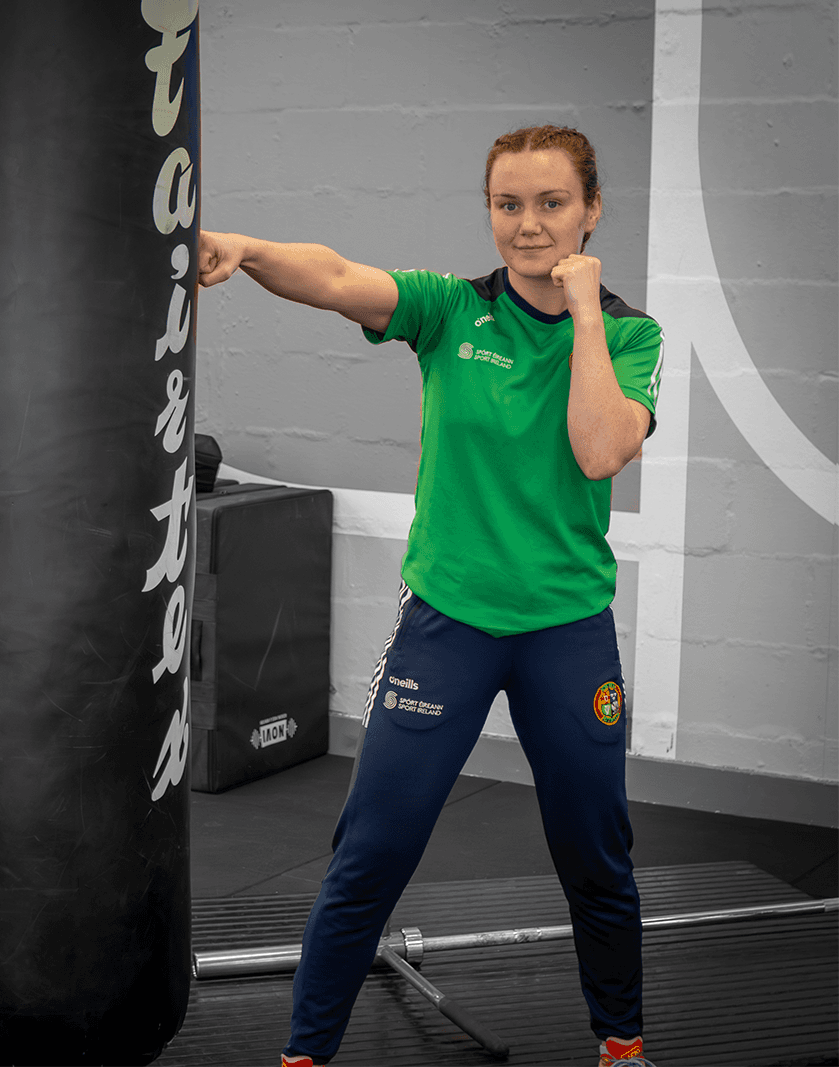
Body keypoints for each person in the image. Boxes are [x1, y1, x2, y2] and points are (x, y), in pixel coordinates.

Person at [198, 125, 663, 1067]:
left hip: (567, 633)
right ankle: (304, 1055)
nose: (528, 225)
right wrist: (245, 249)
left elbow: (599, 451)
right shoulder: (452, 310)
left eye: (552, 203)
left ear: (591, 209)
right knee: (371, 855)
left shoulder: (628, 335)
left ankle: (621, 1044)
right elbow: (337, 278)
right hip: (447, 627)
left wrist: (582, 312)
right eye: (508, 204)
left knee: (596, 857)